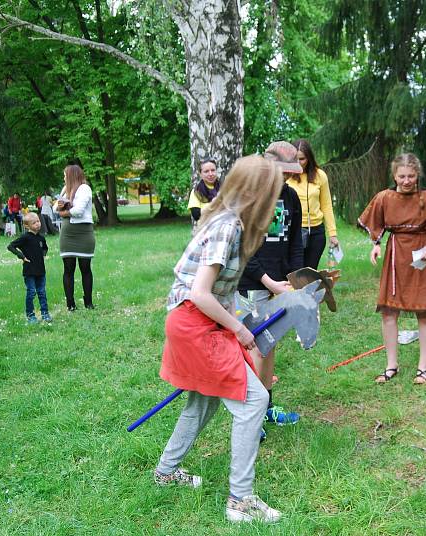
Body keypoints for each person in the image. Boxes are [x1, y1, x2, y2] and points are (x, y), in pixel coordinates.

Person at [154, 155, 284, 524]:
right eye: (273, 194)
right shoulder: (228, 226)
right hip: (194, 322)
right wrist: (239, 329)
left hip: (196, 321)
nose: (275, 202)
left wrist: (239, 319)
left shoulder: (231, 222)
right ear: (257, 193)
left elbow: (217, 294)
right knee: (254, 400)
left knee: (203, 403)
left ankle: (166, 472)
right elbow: (200, 293)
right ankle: (240, 501)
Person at [357, 153, 426, 385]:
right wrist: (376, 245)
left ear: (417, 175)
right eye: (402, 176)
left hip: (423, 259)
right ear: (394, 175)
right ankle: (391, 365)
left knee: (425, 312)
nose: (406, 181)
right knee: (389, 312)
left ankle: (423, 367)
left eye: (411, 176)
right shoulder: (385, 198)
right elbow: (376, 223)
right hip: (396, 257)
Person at [237, 141, 305, 437]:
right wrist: (268, 282)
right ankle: (250, 414)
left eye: (292, 173)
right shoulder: (251, 195)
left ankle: (266, 406)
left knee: (270, 343)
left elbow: (294, 246)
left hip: (279, 283)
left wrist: (296, 283)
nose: (288, 178)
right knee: (255, 348)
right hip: (252, 283)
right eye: (283, 172)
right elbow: (243, 249)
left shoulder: (291, 198)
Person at [287, 139, 339, 269]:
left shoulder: (320, 175)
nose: (298, 163)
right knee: (294, 272)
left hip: (316, 233)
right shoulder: (286, 176)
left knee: (309, 273)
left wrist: (333, 234)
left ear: (309, 158)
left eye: (302, 159)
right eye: (295, 159)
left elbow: (326, 205)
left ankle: (309, 290)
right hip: (293, 231)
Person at [57, 165, 95, 311]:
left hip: (84, 233)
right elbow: (56, 208)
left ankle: (88, 302)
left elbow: (78, 211)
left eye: (65, 175)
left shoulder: (85, 188)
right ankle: (70, 304)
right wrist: (61, 206)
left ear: (72, 175)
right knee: (68, 268)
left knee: (85, 268)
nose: (64, 178)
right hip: (67, 234)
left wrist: (64, 212)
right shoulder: (65, 189)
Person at [7, 212, 51, 324]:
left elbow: (45, 248)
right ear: (27, 226)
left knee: (42, 292)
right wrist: (21, 256)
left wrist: (43, 254)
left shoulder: (41, 238)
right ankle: (31, 315)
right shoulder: (25, 237)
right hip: (29, 271)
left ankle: (45, 313)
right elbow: (11, 246)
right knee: (31, 293)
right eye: (34, 222)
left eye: (38, 221)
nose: (37, 224)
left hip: (41, 271)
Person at [187, 158, 220, 226]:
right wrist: (213, 204)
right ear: (200, 174)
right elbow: (196, 215)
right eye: (206, 171)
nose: (210, 174)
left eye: (213, 170)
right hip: (206, 231)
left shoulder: (225, 189)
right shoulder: (196, 192)